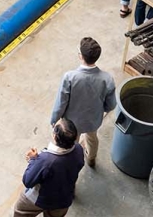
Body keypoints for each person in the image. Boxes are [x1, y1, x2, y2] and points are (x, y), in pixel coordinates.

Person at [50, 37, 116, 169]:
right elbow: (111, 105)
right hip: (93, 120)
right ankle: (91, 158)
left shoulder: (70, 77)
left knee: (72, 144)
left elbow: (61, 103)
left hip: (72, 123)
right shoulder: (107, 79)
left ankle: (71, 164)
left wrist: (54, 119)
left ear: (80, 56)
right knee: (92, 138)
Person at [13, 118, 85, 217]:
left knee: (20, 211)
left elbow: (28, 181)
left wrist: (33, 160)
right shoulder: (78, 149)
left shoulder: (45, 160)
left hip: (41, 199)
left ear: (55, 136)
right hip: (63, 200)